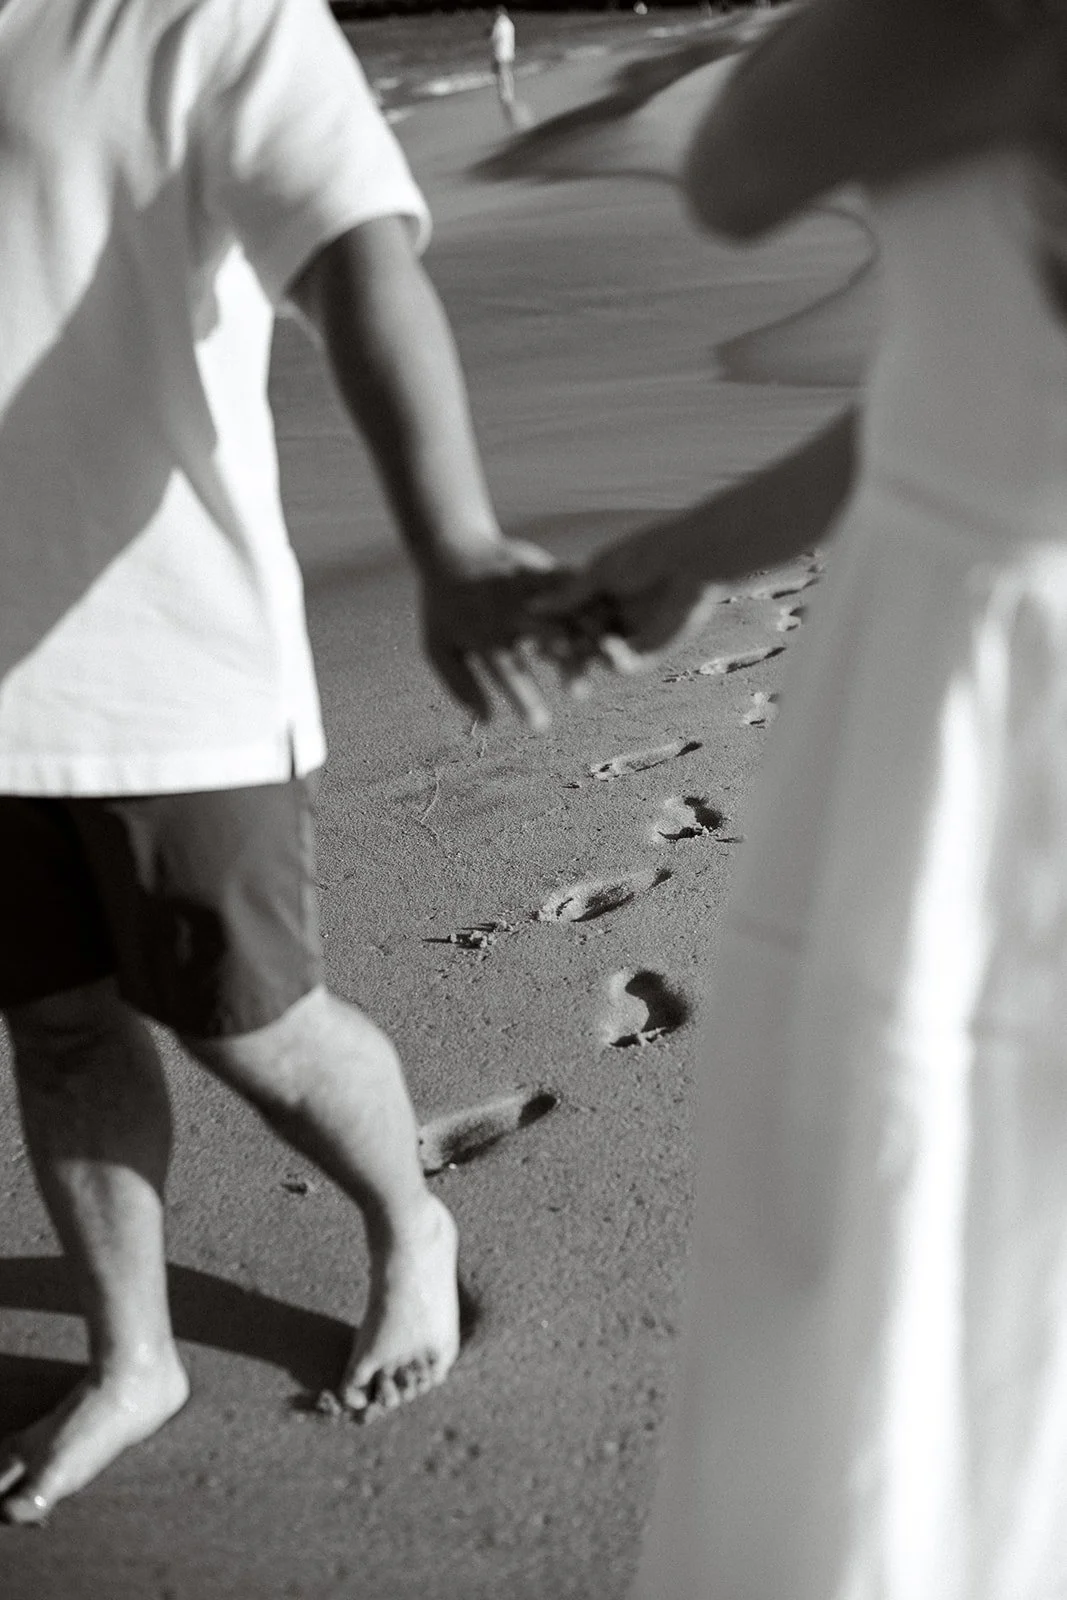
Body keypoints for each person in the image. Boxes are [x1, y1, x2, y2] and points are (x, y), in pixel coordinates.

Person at [0, 0, 560, 1526]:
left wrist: (450, 540)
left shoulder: (210, 14)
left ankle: (406, 1224)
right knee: (52, 1026)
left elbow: (360, 261)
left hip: (167, 664)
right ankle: (135, 1357)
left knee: (249, 1022)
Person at [533, 0, 1067, 1593]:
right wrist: (705, 542)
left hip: (984, 728)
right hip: (971, 642)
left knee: (899, 1270)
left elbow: (742, 164)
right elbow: (980, 370)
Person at [489, 6, 519, 124]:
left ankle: (505, 96)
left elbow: (494, 38)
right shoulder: (510, 24)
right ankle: (510, 94)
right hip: (509, 52)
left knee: (502, 75)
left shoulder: (499, 24)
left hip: (501, 53)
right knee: (508, 73)